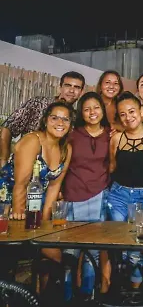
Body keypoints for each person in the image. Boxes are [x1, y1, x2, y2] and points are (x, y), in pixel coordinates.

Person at [0, 100, 75, 304]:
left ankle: (42, 300)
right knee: (10, 260)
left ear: (70, 124)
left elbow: (53, 188)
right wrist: (19, 220)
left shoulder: (66, 149)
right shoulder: (33, 140)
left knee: (54, 256)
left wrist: (45, 226)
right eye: (54, 117)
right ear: (45, 120)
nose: (60, 123)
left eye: (65, 119)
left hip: (35, 209)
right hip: (9, 205)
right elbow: (20, 184)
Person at [108, 91, 143, 290]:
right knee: (119, 243)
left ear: (141, 111)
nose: (128, 117)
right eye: (123, 114)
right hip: (118, 195)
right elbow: (111, 167)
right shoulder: (116, 138)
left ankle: (136, 292)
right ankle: (120, 288)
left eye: (131, 111)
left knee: (137, 248)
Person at [63, 91, 112, 299]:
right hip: (72, 196)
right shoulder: (72, 134)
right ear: (81, 113)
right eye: (87, 109)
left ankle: (88, 296)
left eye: (96, 107)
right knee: (69, 251)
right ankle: (66, 297)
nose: (92, 112)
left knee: (93, 251)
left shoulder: (111, 134)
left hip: (99, 196)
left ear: (103, 110)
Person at [0, 71, 85, 168]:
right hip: (21, 165)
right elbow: (8, 128)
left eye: (77, 87)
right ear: (60, 87)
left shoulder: (75, 118)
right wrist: (3, 160)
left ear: (81, 92)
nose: (71, 90)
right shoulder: (38, 103)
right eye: (68, 85)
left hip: (50, 172)